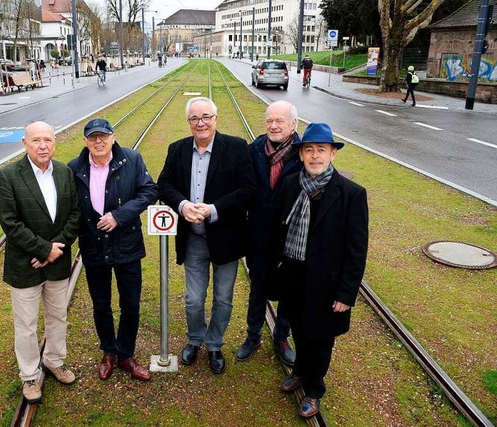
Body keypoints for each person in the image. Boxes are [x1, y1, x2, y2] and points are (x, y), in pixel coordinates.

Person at [273, 123, 368, 418]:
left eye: (321, 150)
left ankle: (314, 389)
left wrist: (346, 293)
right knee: (299, 330)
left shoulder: (351, 194)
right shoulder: (290, 184)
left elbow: (356, 249)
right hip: (295, 278)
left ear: (332, 155)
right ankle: (300, 372)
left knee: (321, 339)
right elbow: (277, 229)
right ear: (301, 154)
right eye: (309, 150)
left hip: (327, 286)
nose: (315, 156)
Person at [157, 97, 256, 375]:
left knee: (223, 298)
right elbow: (163, 184)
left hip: (226, 238)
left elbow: (249, 189)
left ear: (216, 118)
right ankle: (195, 339)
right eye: (194, 118)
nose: (201, 123)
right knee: (193, 299)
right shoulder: (176, 150)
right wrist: (182, 205)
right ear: (189, 123)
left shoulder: (236, 148)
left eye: (206, 117)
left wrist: (214, 209)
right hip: (194, 239)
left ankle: (214, 344)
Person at [0, 121, 81, 403]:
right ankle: (30, 375)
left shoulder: (66, 173)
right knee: (27, 325)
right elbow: (10, 223)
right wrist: (44, 249)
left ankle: (55, 360)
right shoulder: (8, 176)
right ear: (24, 143)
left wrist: (57, 249)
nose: (43, 146)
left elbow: (75, 215)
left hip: (57, 262)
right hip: (25, 264)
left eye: (48, 140)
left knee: (58, 317)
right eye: (36, 140)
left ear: (55, 142)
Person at [68, 118, 158, 381]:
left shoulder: (132, 159)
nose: (99, 142)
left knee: (130, 303)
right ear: (85, 141)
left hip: (126, 244)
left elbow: (149, 191)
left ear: (113, 137)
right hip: (94, 247)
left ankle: (126, 354)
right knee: (101, 304)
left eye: (103, 136)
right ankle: (108, 351)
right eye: (93, 137)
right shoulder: (74, 168)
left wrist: (119, 215)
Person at [235, 101, 303, 365]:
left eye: (280, 121)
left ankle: (281, 337)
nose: (273, 126)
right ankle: (253, 336)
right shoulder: (253, 149)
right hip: (259, 235)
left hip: (292, 238)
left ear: (293, 124)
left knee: (289, 291)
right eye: (269, 121)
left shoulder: (302, 153)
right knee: (257, 288)